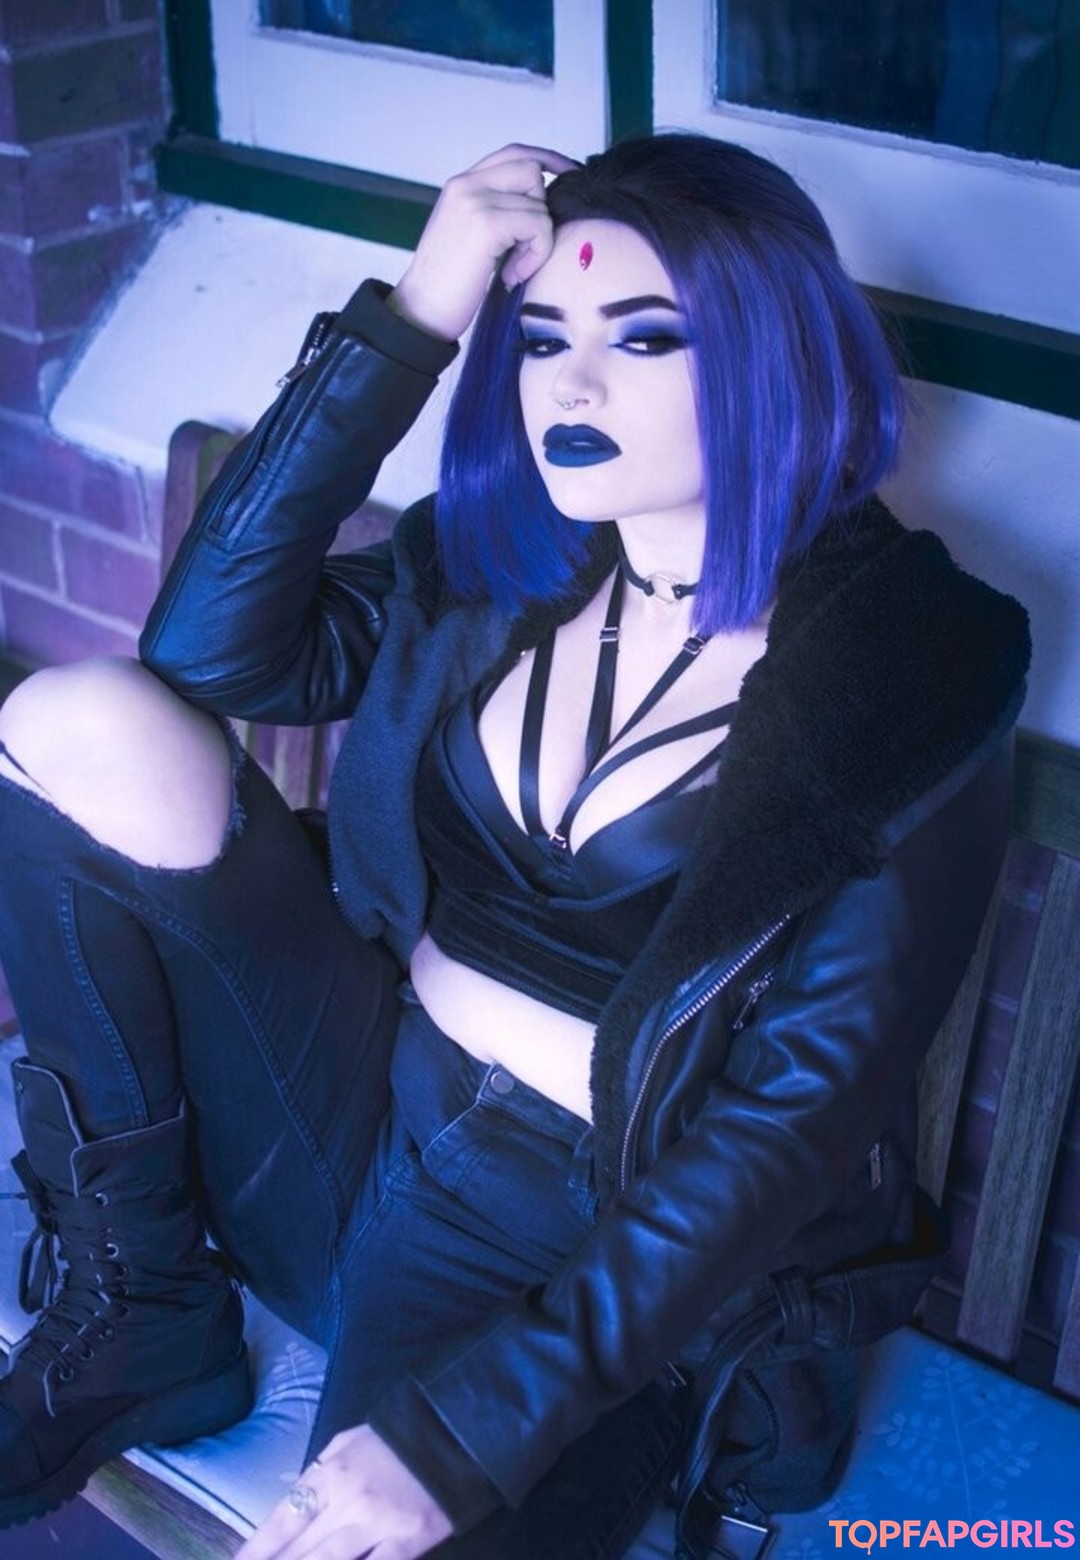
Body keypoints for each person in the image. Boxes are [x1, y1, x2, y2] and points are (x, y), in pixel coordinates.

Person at [0, 136, 1030, 1559]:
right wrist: (416, 314)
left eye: (645, 337)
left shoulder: (914, 666)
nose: (571, 386)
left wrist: (462, 1437)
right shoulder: (507, 560)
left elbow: (791, 1124)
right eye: (542, 338)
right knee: (80, 718)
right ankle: (147, 1304)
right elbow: (205, 653)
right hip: (350, 1111)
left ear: (776, 354)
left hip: (591, 1256)